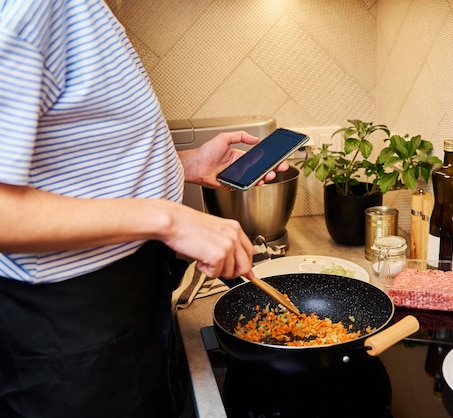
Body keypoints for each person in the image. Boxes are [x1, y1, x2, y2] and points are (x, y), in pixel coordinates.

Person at [0, 1, 288, 417]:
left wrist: (181, 164)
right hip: (70, 324)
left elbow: (71, 155)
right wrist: (168, 220)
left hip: (124, 303)